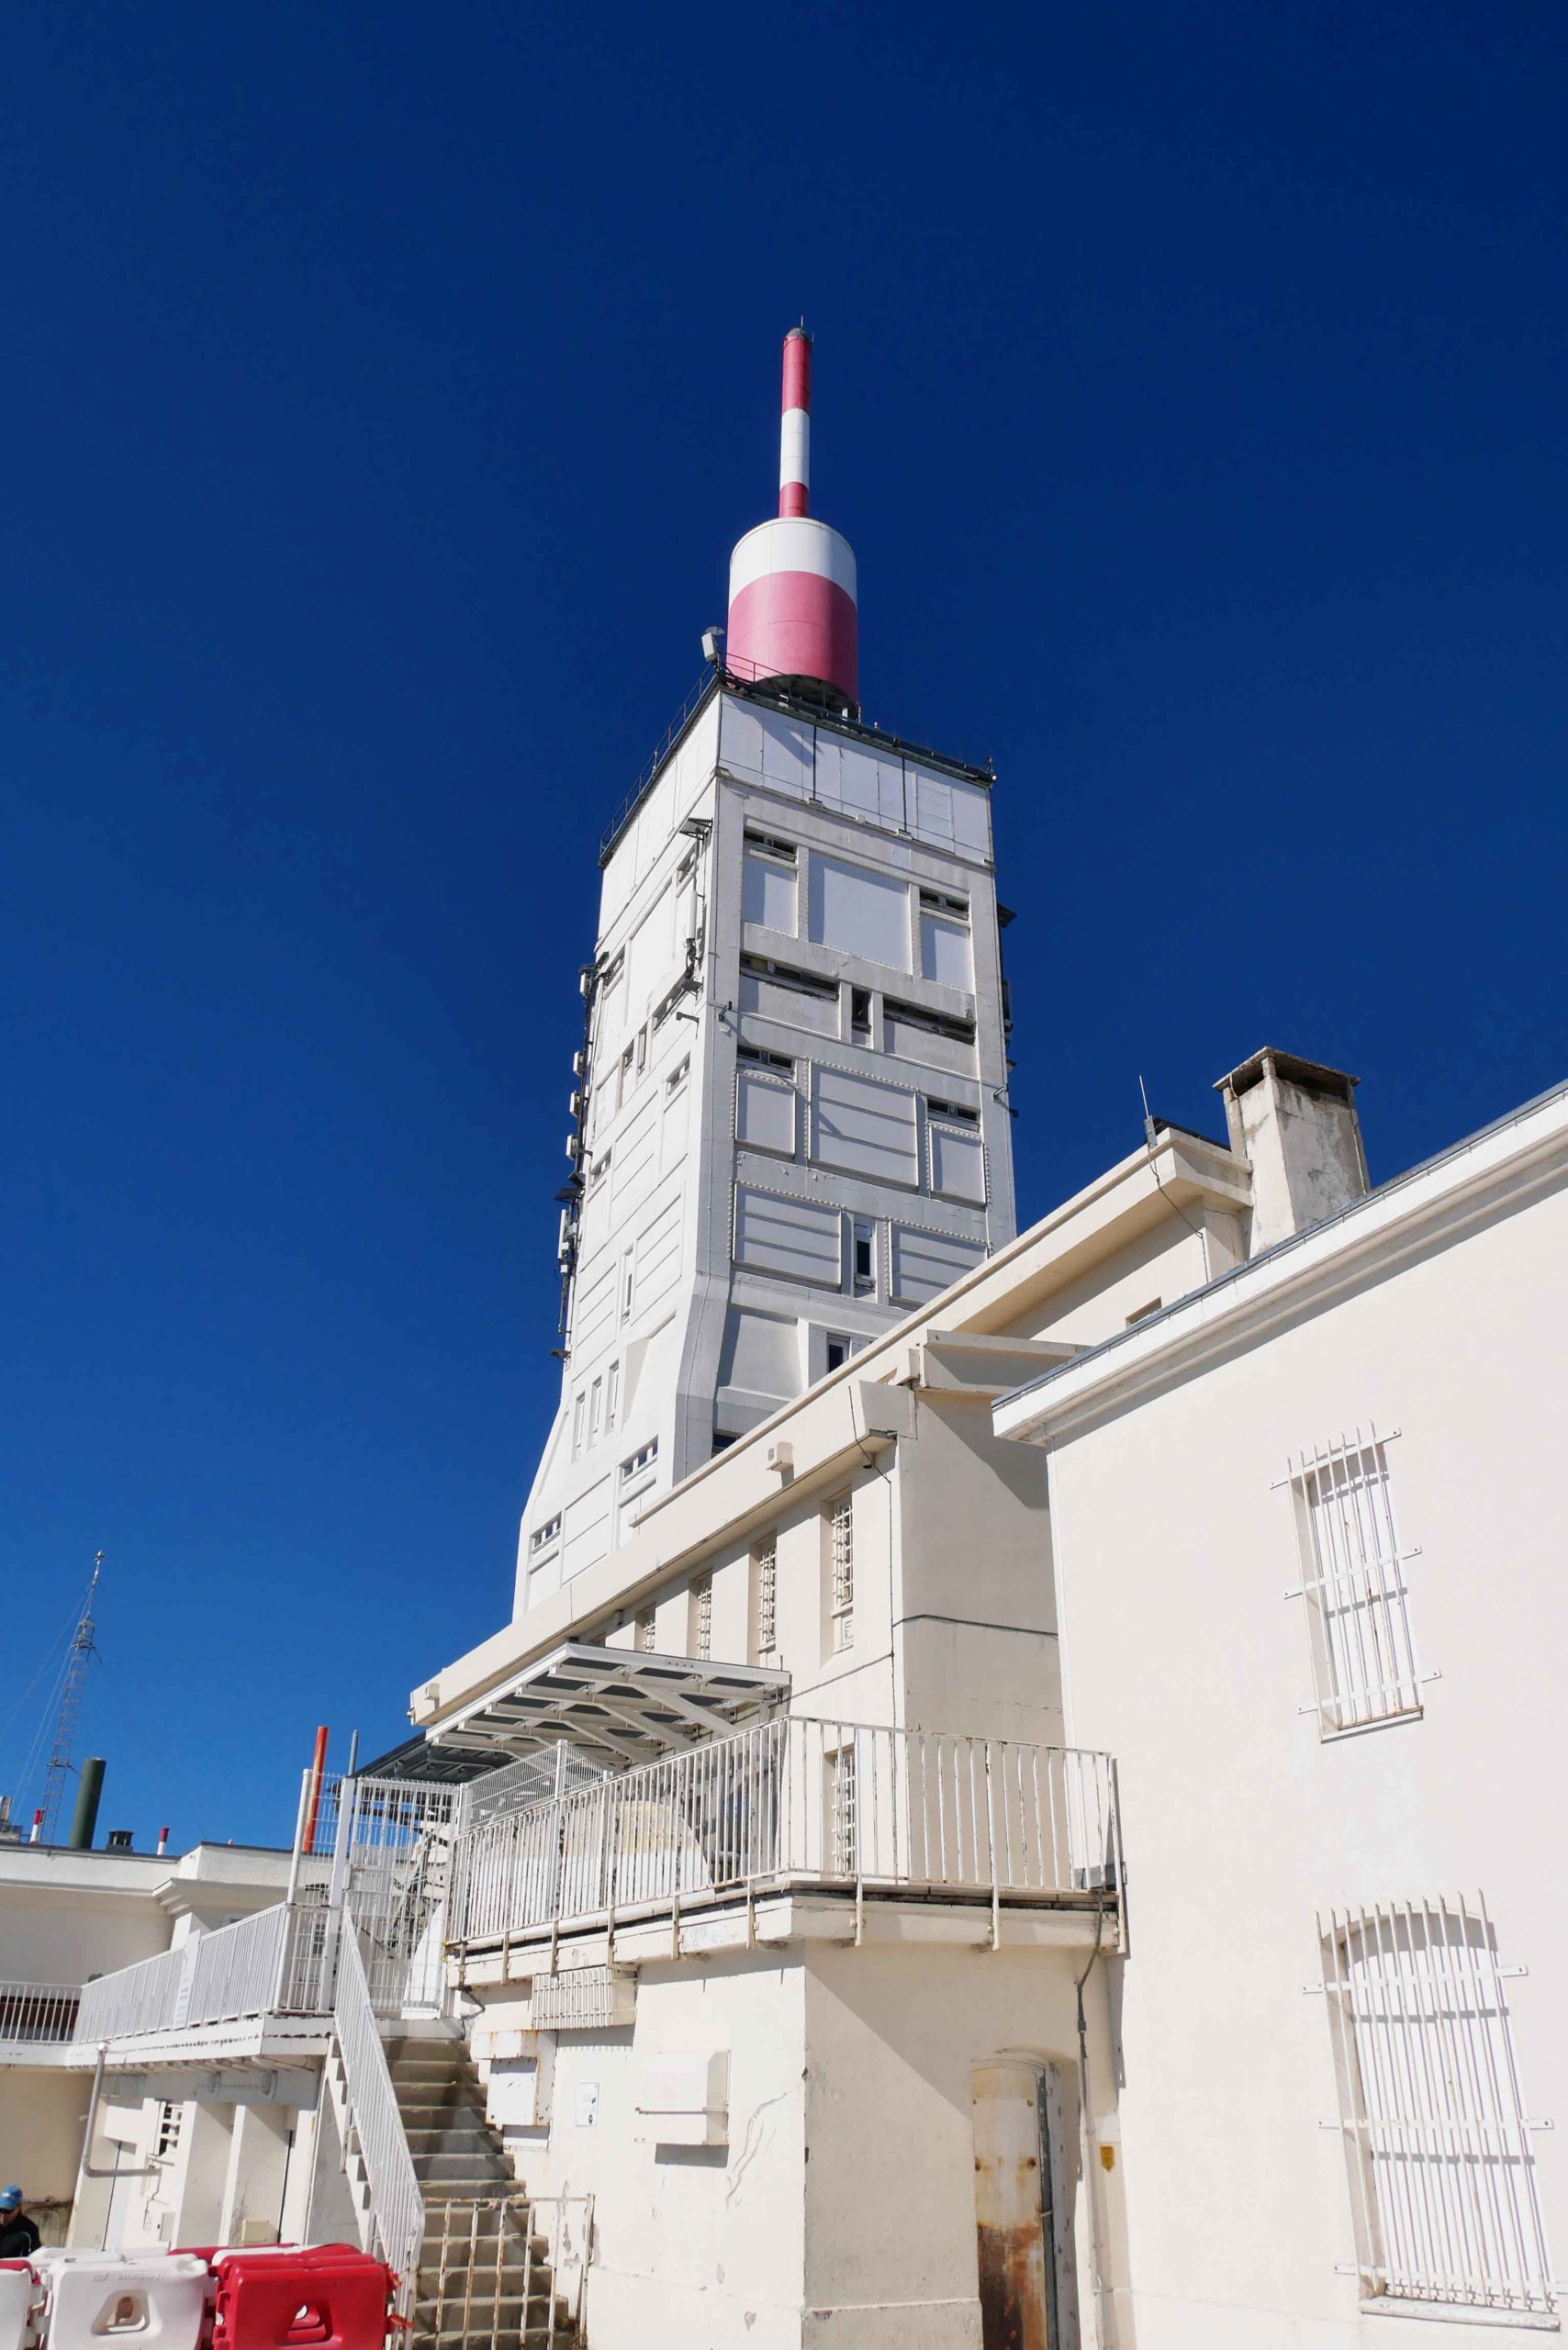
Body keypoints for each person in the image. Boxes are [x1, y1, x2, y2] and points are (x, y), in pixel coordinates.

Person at [0, 2186, 39, 2259]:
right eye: (0, 2210)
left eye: (7, 2211)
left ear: (19, 2207)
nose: (2, 2215)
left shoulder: (29, 2230)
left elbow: (33, 2260)